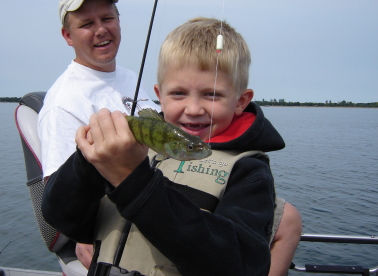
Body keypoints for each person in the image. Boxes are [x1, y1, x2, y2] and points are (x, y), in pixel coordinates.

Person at [42, 17, 300, 275]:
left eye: (212, 95)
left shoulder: (248, 171)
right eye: (178, 93)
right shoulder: (131, 149)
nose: (194, 109)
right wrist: (87, 162)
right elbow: (62, 218)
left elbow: (241, 263)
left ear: (241, 101)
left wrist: (134, 182)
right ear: (159, 95)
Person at [38, 0, 158, 267]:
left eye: (107, 18)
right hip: (120, 220)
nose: (101, 30)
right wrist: (83, 236)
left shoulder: (133, 78)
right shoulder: (64, 103)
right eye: (87, 24)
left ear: (119, 21)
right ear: (68, 36)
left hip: (158, 196)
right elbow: (61, 193)